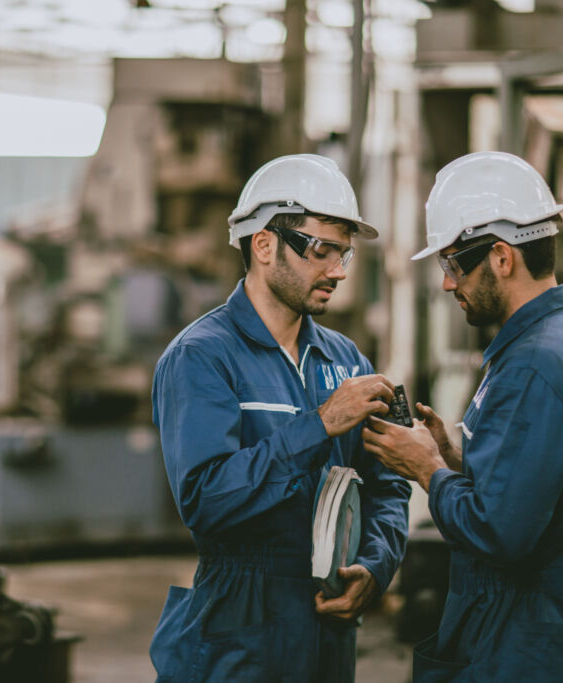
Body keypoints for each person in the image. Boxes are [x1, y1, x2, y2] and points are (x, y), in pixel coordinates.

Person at [149, 154, 411, 682]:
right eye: (322, 250)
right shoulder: (202, 357)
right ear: (264, 245)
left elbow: (387, 484)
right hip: (240, 633)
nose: (337, 270)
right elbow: (206, 498)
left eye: (345, 253)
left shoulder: (346, 361)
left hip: (326, 630)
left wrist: (376, 566)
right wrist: (319, 425)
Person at [364, 151, 563, 681]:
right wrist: (453, 459)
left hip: (519, 651)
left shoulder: (537, 365)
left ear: (502, 258)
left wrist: (426, 470)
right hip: (520, 640)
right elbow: (530, 489)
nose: (447, 284)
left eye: (453, 265)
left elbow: (500, 534)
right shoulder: (551, 347)